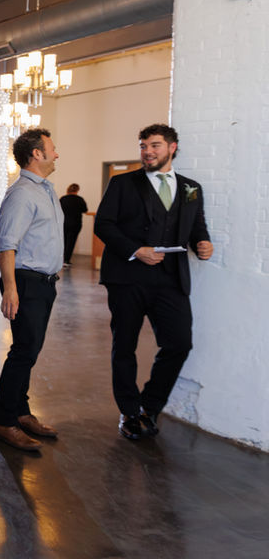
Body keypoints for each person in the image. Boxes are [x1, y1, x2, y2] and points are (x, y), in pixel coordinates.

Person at [93, 123, 212, 440]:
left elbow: (196, 226)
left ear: (173, 147)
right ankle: (129, 412)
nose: (147, 151)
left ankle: (150, 405)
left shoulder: (191, 188)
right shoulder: (122, 184)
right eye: (143, 146)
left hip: (170, 280)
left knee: (179, 344)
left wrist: (203, 243)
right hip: (127, 279)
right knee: (124, 347)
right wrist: (136, 250)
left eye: (155, 145)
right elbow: (104, 225)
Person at [0, 128, 63, 452]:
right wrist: (10, 289)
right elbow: (6, 244)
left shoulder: (46, 190)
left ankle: (21, 412)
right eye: (52, 148)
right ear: (37, 154)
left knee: (28, 352)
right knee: (22, 353)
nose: (56, 153)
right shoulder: (22, 193)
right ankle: (4, 422)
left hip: (44, 283)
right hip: (26, 282)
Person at [59, 183, 87, 267]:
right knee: (71, 242)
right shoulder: (80, 199)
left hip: (64, 223)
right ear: (77, 190)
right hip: (75, 223)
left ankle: (60, 259)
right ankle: (67, 260)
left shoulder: (63, 199)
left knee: (63, 241)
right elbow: (85, 210)